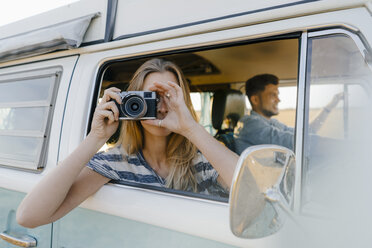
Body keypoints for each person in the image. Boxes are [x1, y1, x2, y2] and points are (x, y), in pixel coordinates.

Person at [16, 58, 238, 228]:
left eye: (168, 96)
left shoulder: (200, 162)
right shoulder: (114, 163)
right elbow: (29, 216)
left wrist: (190, 128)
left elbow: (254, 188)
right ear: (132, 103)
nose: (160, 107)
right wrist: (96, 137)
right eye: (151, 97)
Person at [234, 74, 343, 154]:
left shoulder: (271, 123)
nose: (278, 100)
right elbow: (293, 142)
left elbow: (305, 132)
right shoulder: (249, 124)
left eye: (277, 95)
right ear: (255, 99)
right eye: (273, 95)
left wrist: (331, 105)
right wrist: (341, 148)